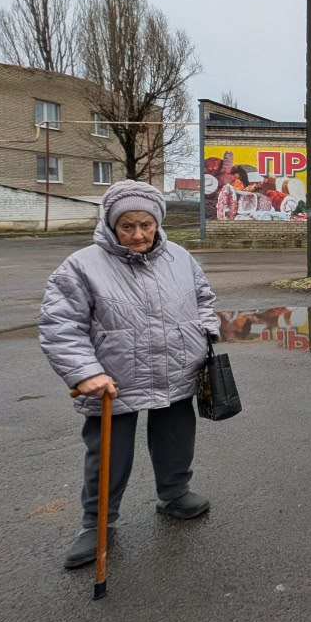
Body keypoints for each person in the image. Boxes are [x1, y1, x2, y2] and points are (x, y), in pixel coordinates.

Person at [38, 180, 218, 571]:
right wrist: (85, 373)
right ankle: (97, 524)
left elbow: (204, 297)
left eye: (146, 225)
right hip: (111, 379)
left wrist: (205, 331)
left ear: (158, 223)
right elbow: (59, 326)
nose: (138, 235)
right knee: (108, 453)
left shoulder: (180, 257)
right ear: (111, 225)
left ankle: (174, 494)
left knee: (175, 436)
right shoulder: (82, 265)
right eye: (127, 226)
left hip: (175, 367)